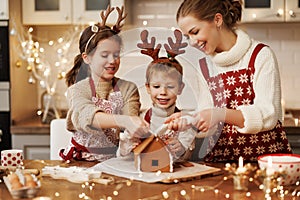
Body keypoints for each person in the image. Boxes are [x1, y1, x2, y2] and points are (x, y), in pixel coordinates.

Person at [166, 0, 292, 162]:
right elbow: (208, 116)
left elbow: (268, 115)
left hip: (263, 162)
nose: (192, 42)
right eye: (187, 36)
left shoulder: (260, 55)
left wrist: (220, 114)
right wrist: (189, 119)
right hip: (221, 160)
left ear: (217, 20)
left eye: (195, 32)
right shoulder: (204, 66)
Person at [60, 6, 150, 162]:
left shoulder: (128, 88)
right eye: (104, 55)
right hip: (81, 163)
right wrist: (125, 121)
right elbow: (86, 116)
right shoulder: (78, 89)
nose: (112, 61)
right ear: (87, 58)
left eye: (116, 54)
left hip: (114, 160)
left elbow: (131, 125)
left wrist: (136, 130)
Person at [118, 29, 196, 162]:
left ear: (180, 88)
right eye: (156, 86)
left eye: (170, 87)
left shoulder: (184, 122)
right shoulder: (140, 120)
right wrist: (128, 146)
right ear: (148, 88)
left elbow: (187, 157)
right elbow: (121, 156)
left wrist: (181, 149)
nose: (163, 92)